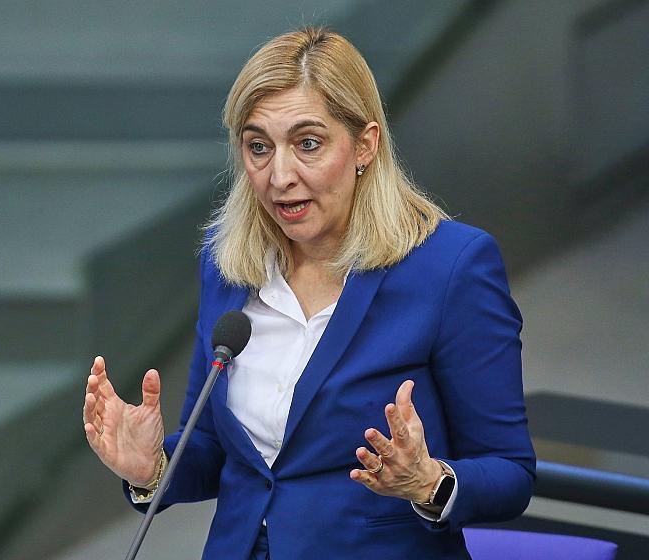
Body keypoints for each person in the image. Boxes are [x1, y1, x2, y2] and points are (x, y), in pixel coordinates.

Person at [83, 27, 535, 559]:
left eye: (308, 144)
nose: (279, 176)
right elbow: (214, 449)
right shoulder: (227, 264)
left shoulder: (451, 267)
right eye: (258, 147)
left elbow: (510, 472)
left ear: (365, 145)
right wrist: (153, 467)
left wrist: (428, 481)